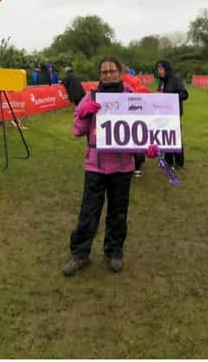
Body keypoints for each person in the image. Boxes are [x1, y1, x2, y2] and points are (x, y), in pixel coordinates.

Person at [63, 56, 136, 276]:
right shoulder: (91, 97)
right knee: (88, 213)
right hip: (96, 166)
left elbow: (143, 130)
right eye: (103, 72)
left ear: (120, 72)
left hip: (123, 167)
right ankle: (80, 254)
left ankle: (114, 252)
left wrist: (149, 148)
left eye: (112, 70)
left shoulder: (131, 97)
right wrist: (85, 115)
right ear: (99, 75)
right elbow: (77, 130)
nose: (108, 75)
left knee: (118, 213)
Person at [155, 59, 189, 169]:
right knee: (166, 137)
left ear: (166, 69)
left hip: (174, 114)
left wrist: (170, 98)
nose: (159, 71)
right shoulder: (161, 82)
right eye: (158, 69)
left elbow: (184, 94)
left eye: (161, 69)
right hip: (163, 114)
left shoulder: (176, 80)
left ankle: (179, 162)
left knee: (175, 138)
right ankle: (168, 160)